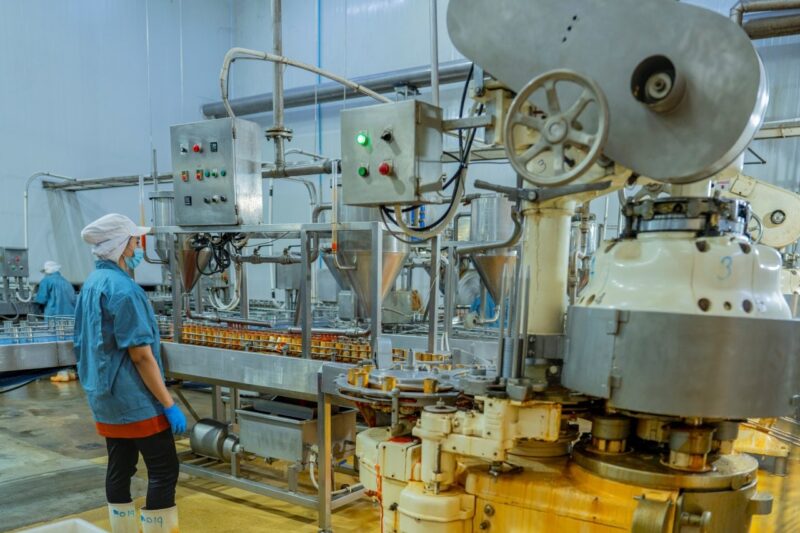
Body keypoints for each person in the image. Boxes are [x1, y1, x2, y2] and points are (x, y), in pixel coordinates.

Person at [74, 213, 186, 533]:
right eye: (136, 241)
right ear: (122, 246)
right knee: (163, 469)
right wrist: (168, 403)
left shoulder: (92, 284)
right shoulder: (124, 289)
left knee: (120, 466)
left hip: (105, 397)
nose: (139, 247)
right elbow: (141, 355)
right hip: (135, 399)